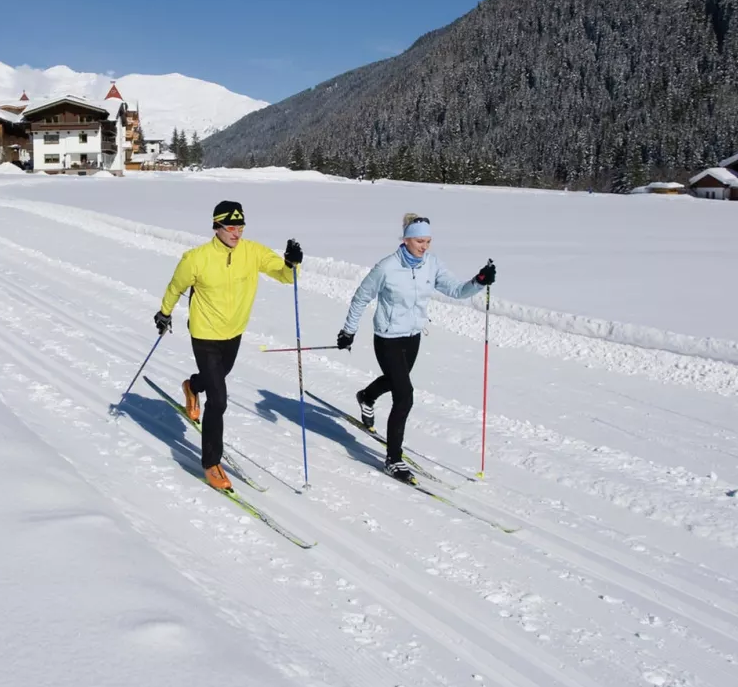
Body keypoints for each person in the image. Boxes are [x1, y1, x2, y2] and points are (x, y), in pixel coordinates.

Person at [336, 214, 496, 484]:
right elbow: (361, 297)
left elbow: (456, 290)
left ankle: (366, 396)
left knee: (396, 381)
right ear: (406, 239)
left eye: (428, 241)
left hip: (412, 337)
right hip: (387, 337)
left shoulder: (432, 265)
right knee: (405, 395)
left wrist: (479, 281)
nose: (425, 246)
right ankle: (393, 459)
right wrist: (348, 331)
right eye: (420, 241)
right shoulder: (386, 267)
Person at [156, 200, 302, 490]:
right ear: (217, 227)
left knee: (215, 380)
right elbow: (176, 286)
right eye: (231, 227)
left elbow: (286, 278)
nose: (237, 233)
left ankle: (192, 386)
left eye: (241, 227)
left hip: (234, 333)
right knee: (219, 400)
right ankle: (211, 463)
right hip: (205, 334)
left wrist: (291, 262)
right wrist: (164, 312)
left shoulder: (253, 252)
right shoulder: (196, 258)